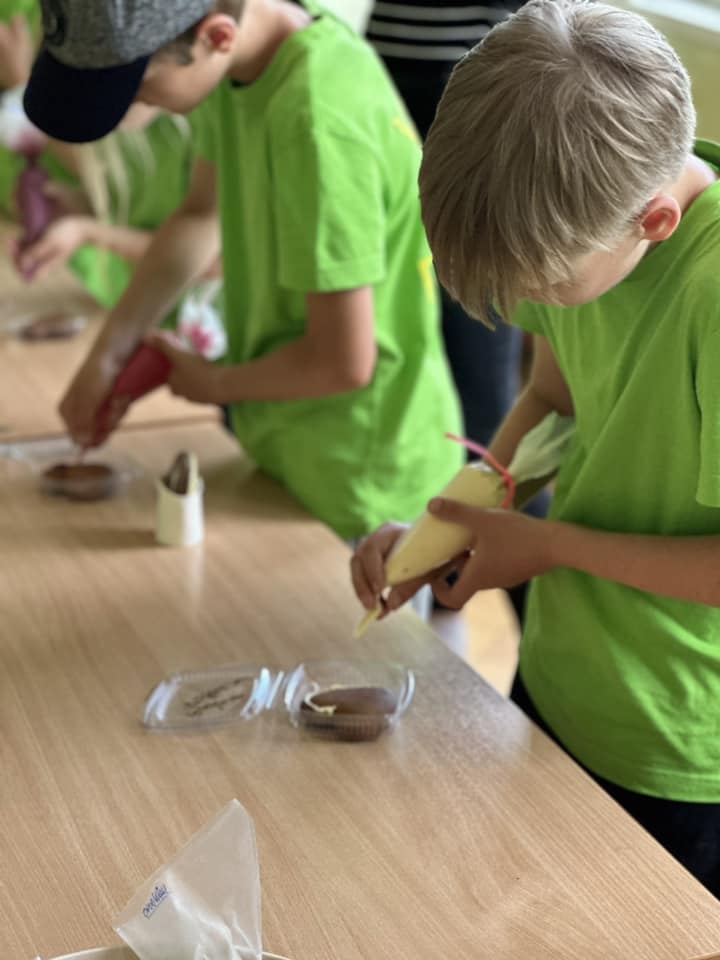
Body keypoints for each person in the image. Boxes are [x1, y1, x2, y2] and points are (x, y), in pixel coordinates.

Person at [352, 0, 720, 895]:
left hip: (676, 742)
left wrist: (547, 546)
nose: (533, 302)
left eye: (546, 284)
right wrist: (446, 528)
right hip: (561, 680)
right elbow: (555, 397)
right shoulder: (588, 226)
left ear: (654, 223)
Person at [23, 0, 462, 542]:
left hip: (361, 482)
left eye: (139, 86)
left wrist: (214, 384)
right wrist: (108, 356)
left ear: (217, 37)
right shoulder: (236, 62)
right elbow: (200, 216)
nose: (134, 105)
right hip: (288, 447)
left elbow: (343, 361)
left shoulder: (317, 121)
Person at [367, 0, 545, 621]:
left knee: (485, 408)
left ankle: (526, 603)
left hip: (481, 89)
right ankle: (443, 570)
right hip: (393, 78)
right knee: (420, 371)